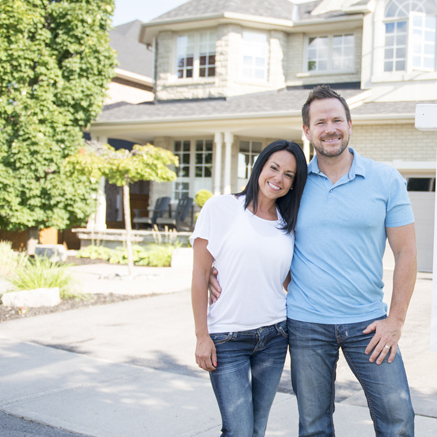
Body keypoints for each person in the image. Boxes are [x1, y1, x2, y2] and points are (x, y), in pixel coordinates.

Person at [210, 85, 417, 436]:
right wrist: (214, 268)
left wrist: (395, 320)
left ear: (350, 124)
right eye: (320, 122)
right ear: (307, 131)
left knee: (398, 418)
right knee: (314, 425)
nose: (330, 128)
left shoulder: (386, 180)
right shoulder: (295, 185)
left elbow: (407, 252)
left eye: (337, 119)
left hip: (368, 322)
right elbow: (259, 229)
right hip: (306, 325)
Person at [191, 140, 307, 437]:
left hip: (275, 336)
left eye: (289, 175)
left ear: (294, 184)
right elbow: (200, 274)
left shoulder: (288, 223)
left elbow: (283, 278)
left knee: (257, 429)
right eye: (274, 168)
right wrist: (202, 336)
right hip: (227, 339)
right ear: (260, 167)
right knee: (239, 431)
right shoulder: (222, 207)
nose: (279, 178)